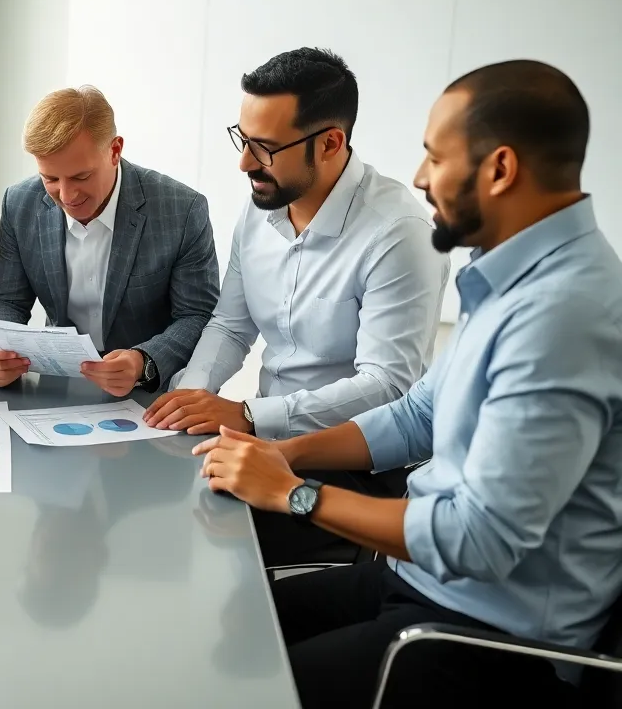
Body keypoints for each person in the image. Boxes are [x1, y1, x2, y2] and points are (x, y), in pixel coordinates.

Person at [195, 60, 622, 707]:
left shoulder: (563, 314)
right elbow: (416, 416)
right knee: (224, 631)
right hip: (420, 578)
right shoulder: (513, 272)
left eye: (435, 157)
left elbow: (480, 540)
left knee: (234, 689)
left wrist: (294, 494)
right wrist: (283, 452)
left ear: (501, 169)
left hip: (487, 636)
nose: (421, 178)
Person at [144, 48, 449, 566]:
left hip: (351, 465)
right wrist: (190, 395)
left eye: (264, 148)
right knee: (161, 493)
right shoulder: (262, 201)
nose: (244, 163)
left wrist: (247, 415)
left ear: (330, 143)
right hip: (267, 441)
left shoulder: (399, 234)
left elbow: (386, 386)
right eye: (242, 139)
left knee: (194, 532)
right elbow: (230, 324)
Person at [0, 85, 219, 396]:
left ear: (115, 151)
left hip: (149, 390)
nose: (67, 196)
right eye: (50, 179)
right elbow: (7, 300)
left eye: (81, 177)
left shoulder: (181, 210)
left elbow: (197, 315)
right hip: (57, 386)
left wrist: (144, 361)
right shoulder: (19, 203)